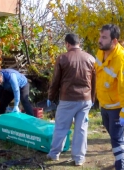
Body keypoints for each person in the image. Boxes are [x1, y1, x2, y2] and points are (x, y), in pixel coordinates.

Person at [46, 33, 96, 166]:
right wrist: (93, 98)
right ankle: (79, 158)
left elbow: (55, 81)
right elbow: (95, 81)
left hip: (68, 98)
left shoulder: (63, 58)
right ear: (78, 43)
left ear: (67, 44)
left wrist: (50, 97)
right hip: (85, 99)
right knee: (81, 129)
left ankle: (54, 153)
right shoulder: (91, 58)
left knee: (61, 127)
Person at [95, 24, 124, 170]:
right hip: (104, 104)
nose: (100, 40)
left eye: (104, 37)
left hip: (117, 108)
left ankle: (121, 166)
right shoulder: (101, 52)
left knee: (116, 140)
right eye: (100, 36)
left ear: (114, 41)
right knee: (113, 133)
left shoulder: (122, 61)